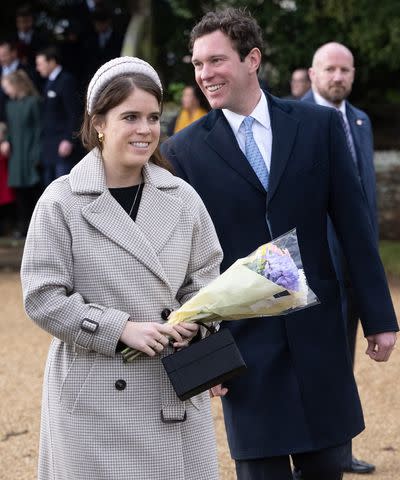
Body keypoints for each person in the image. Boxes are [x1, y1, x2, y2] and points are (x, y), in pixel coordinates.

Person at [161, 8, 398, 480]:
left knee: (329, 465)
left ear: (252, 59)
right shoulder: (182, 151)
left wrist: (378, 318)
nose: (205, 74)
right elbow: (179, 262)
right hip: (244, 349)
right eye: (197, 64)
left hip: (320, 332)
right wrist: (200, 356)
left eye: (216, 61)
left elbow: (354, 227)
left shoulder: (319, 127)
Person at [20, 56, 222, 480]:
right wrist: (119, 329)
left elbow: (206, 275)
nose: (145, 129)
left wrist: (195, 320)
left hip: (171, 388)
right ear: (98, 123)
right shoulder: (61, 201)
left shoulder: (183, 197)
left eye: (152, 117)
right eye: (130, 117)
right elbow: (42, 296)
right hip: (92, 395)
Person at [298, 41, 378, 477]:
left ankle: (338, 452)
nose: (338, 77)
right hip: (309, 266)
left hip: (351, 265)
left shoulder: (360, 121)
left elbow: (362, 199)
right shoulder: (295, 122)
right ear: (312, 74)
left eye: (345, 70)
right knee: (310, 361)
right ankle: (307, 451)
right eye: (329, 69)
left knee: (342, 360)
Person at [0, 70, 41, 238]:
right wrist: (6, 141)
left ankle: (37, 227)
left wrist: (36, 153)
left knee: (33, 190)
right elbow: (9, 128)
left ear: (16, 85)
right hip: (16, 154)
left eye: (7, 87)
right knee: (19, 191)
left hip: (30, 152)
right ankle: (23, 226)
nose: (6, 91)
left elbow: (39, 128)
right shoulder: (10, 105)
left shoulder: (34, 102)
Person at [35, 46, 81, 187]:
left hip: (62, 145)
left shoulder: (66, 80)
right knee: (50, 188)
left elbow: (74, 113)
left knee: (63, 187)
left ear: (52, 62)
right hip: (49, 145)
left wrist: (69, 139)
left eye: (40, 64)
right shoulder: (49, 82)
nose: (38, 68)